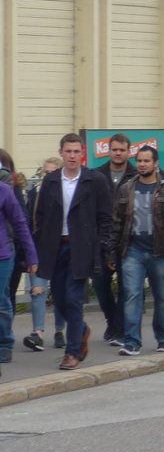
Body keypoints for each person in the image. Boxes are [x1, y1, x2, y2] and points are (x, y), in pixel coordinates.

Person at [33, 133, 113, 371]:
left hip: (81, 247)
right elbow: (39, 215)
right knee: (59, 299)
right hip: (54, 246)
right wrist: (39, 244)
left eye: (76, 151)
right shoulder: (52, 181)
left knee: (74, 299)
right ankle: (82, 331)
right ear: (61, 153)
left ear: (82, 153)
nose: (72, 156)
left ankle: (72, 352)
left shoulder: (95, 180)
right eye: (68, 151)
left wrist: (100, 247)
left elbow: (105, 217)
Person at [105, 145, 164, 356]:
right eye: (139, 161)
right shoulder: (126, 189)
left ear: (155, 163)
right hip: (133, 251)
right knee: (132, 294)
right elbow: (117, 223)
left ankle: (163, 337)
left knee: (163, 297)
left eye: (146, 161)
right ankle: (132, 341)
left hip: (160, 252)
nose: (142, 165)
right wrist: (112, 253)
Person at [93, 134, 137, 346]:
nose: (118, 153)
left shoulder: (137, 175)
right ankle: (112, 321)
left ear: (129, 152)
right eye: (115, 149)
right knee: (101, 285)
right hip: (102, 241)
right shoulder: (96, 175)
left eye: (122, 150)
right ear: (109, 151)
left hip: (128, 241)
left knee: (126, 288)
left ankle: (119, 329)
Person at [22, 157, 66, 351]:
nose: (48, 177)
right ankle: (37, 332)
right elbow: (27, 223)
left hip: (60, 249)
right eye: (45, 173)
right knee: (37, 292)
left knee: (60, 292)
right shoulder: (34, 194)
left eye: (52, 173)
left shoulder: (66, 193)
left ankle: (59, 330)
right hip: (38, 249)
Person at [0, 177, 38, 368]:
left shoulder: (4, 191)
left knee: (1, 300)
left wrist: (31, 256)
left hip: (2, 256)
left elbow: (20, 224)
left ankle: (5, 343)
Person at [0, 148, 30, 312]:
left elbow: (21, 221)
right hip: (11, 248)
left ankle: (5, 335)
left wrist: (24, 253)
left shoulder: (11, 189)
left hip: (11, 249)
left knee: (6, 297)